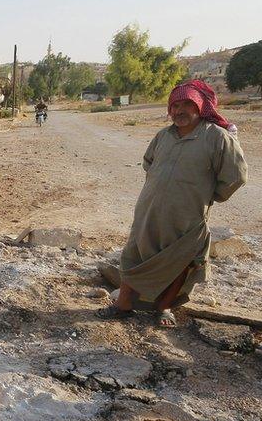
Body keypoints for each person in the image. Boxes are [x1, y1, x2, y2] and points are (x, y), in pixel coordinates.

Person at [97, 79, 248, 327]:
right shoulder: (163, 135)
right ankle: (122, 306)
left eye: (187, 104)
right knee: (134, 256)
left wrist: (207, 195)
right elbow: (149, 162)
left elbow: (235, 177)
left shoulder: (218, 138)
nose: (179, 110)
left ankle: (163, 308)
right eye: (175, 105)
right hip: (149, 211)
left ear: (200, 106)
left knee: (178, 262)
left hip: (187, 216)